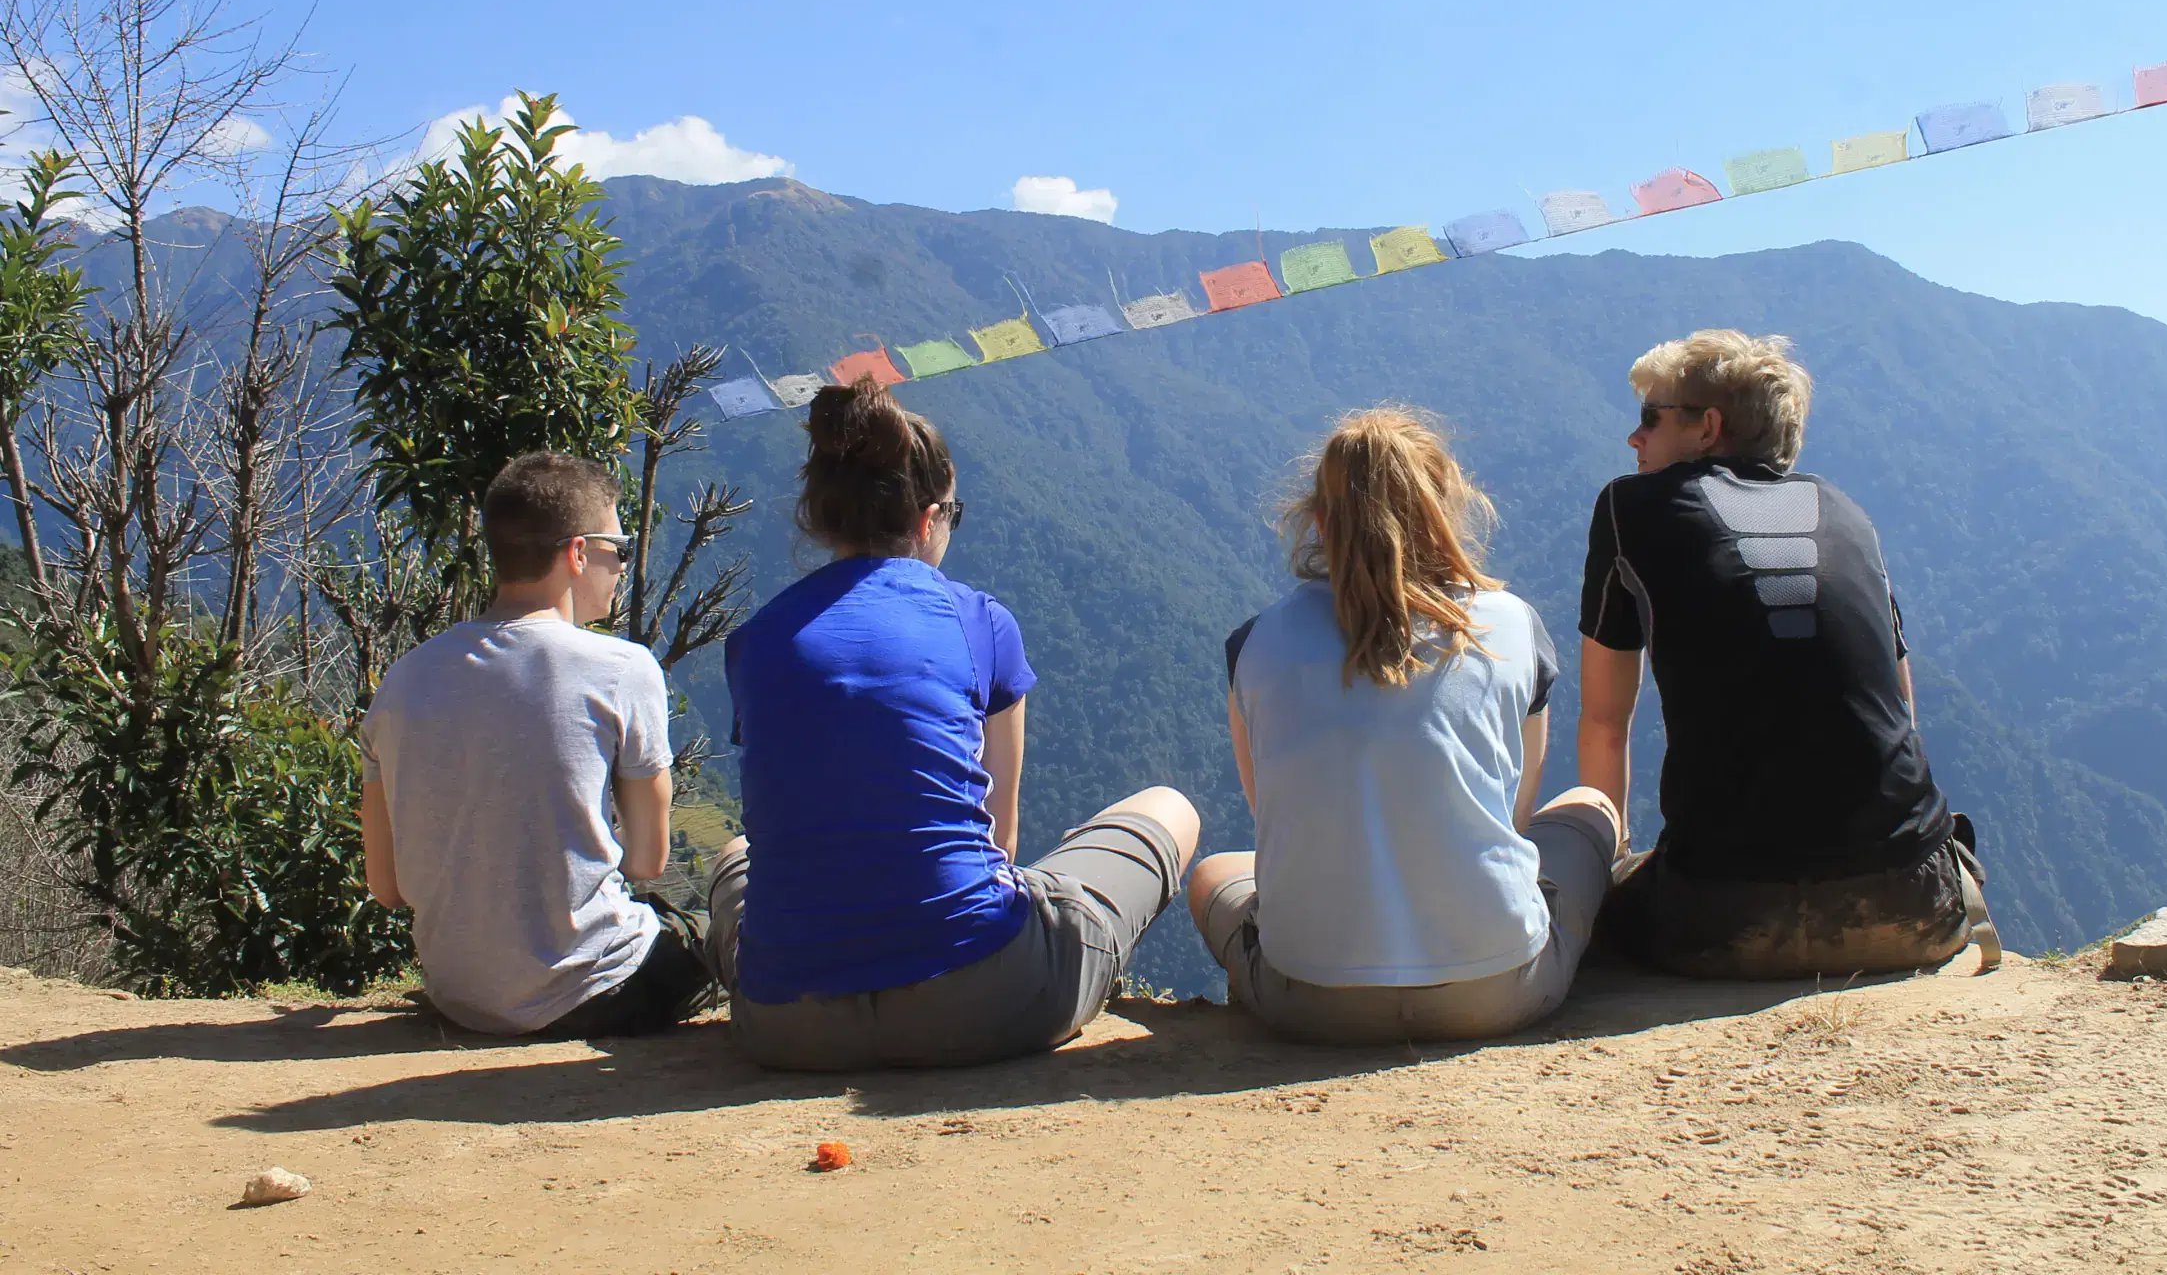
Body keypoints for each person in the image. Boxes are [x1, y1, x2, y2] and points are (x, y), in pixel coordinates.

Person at [706, 377, 1200, 1070]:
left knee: (735, 857)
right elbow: (1001, 833)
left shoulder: (755, 642)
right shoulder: (979, 622)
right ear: (926, 519)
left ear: (821, 516)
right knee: (1168, 810)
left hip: (789, 1027)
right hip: (983, 999)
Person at [1188, 408, 1623, 1044]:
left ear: (1316, 522)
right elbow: (1514, 810)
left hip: (1309, 1000)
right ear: (1443, 513)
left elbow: (1270, 810)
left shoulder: (1255, 643)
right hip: (1495, 989)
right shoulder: (1512, 626)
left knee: (1215, 872)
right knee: (1589, 805)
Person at [1577, 329, 1999, 978]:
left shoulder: (1629, 509)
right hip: (1914, 905)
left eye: (1649, 419)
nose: (1633, 439)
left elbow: (1606, 724)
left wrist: (1610, 872)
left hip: (1718, 920)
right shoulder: (1847, 514)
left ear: (1706, 428)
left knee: (1576, 855)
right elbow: (1902, 718)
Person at [360, 453, 717, 1036]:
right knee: (726, 910)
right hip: (598, 990)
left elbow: (387, 887)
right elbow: (647, 863)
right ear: (578, 552)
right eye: (618, 550)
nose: (623, 566)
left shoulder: (401, 682)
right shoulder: (622, 669)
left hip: (459, 995)